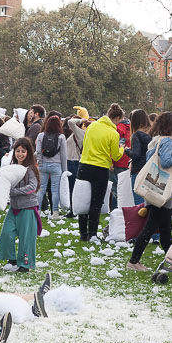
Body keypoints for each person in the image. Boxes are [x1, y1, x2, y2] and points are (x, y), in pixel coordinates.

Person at [126, 111, 172, 271]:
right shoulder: (168, 141)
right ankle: (133, 261)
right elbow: (167, 162)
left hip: (155, 189)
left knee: (166, 230)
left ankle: (171, 260)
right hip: (162, 191)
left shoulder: (156, 140)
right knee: (150, 228)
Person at [76, 102, 123, 242]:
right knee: (96, 203)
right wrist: (121, 148)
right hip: (101, 169)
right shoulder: (113, 133)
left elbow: (85, 143)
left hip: (84, 165)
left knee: (83, 200)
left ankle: (83, 233)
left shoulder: (92, 126)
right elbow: (116, 156)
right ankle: (92, 234)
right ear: (117, 118)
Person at [0, 137, 40, 272]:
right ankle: (12, 259)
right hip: (14, 207)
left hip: (27, 207)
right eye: (17, 151)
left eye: (23, 151)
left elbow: (33, 186)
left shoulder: (31, 169)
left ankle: (25, 264)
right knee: (7, 233)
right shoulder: (12, 167)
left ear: (28, 153)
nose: (20, 154)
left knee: (26, 238)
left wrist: (14, 192)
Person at [35, 113, 67, 217]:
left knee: (41, 189)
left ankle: (37, 211)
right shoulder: (61, 137)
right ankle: (55, 212)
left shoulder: (41, 135)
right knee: (55, 190)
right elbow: (63, 155)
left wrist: (40, 162)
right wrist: (64, 170)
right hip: (56, 165)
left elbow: (38, 151)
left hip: (43, 165)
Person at [124, 109, 151, 205]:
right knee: (148, 202)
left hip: (139, 170)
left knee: (139, 202)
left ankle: (141, 220)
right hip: (150, 170)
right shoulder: (151, 133)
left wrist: (126, 150)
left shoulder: (137, 135)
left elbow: (136, 154)